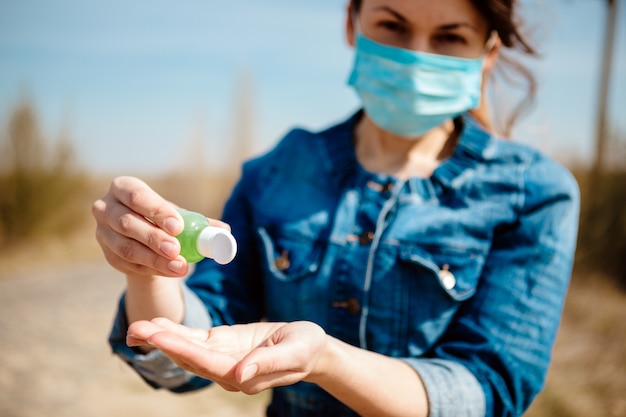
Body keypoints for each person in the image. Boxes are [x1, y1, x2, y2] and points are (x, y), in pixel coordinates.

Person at [92, 0, 580, 416]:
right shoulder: (278, 170)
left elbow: (486, 390)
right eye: (393, 25)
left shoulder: (534, 193)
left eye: (450, 37)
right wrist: (148, 267)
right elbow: (195, 347)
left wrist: (328, 360)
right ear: (353, 23)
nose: (415, 56)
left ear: (487, 55)